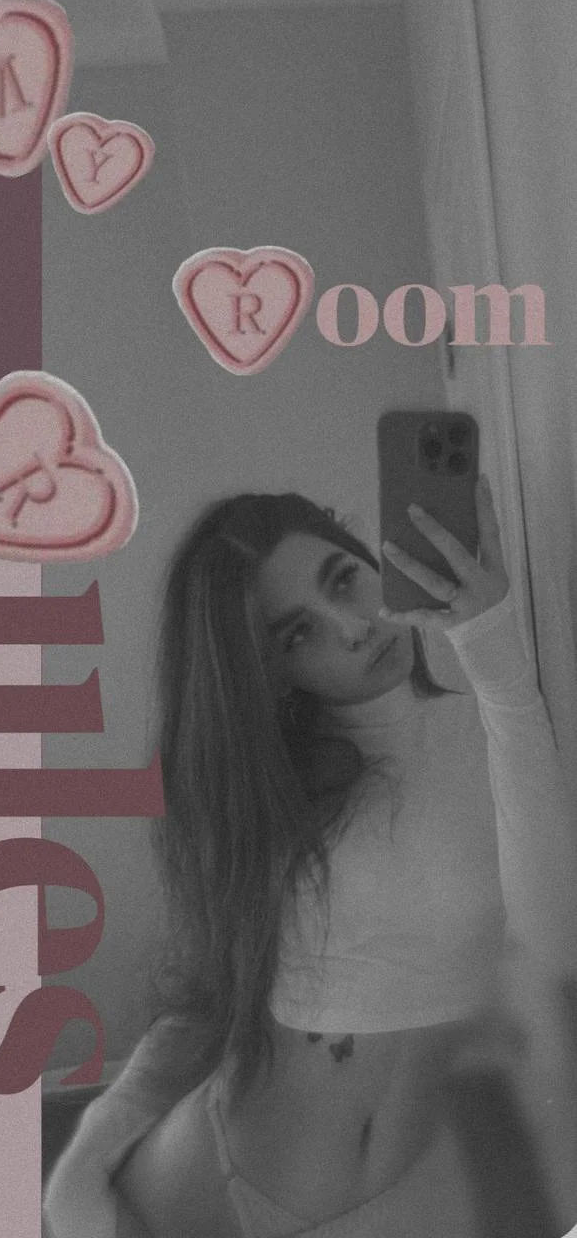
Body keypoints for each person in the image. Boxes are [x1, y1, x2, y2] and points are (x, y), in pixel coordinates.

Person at [44, 477, 577, 1238]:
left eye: (344, 579)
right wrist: (87, 1157)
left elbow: (554, 947)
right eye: (297, 634)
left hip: (434, 1193)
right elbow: (210, 998)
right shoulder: (266, 796)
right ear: (270, 675)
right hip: (218, 1172)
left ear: (370, 556)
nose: (354, 628)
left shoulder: (500, 726)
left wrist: (494, 653)